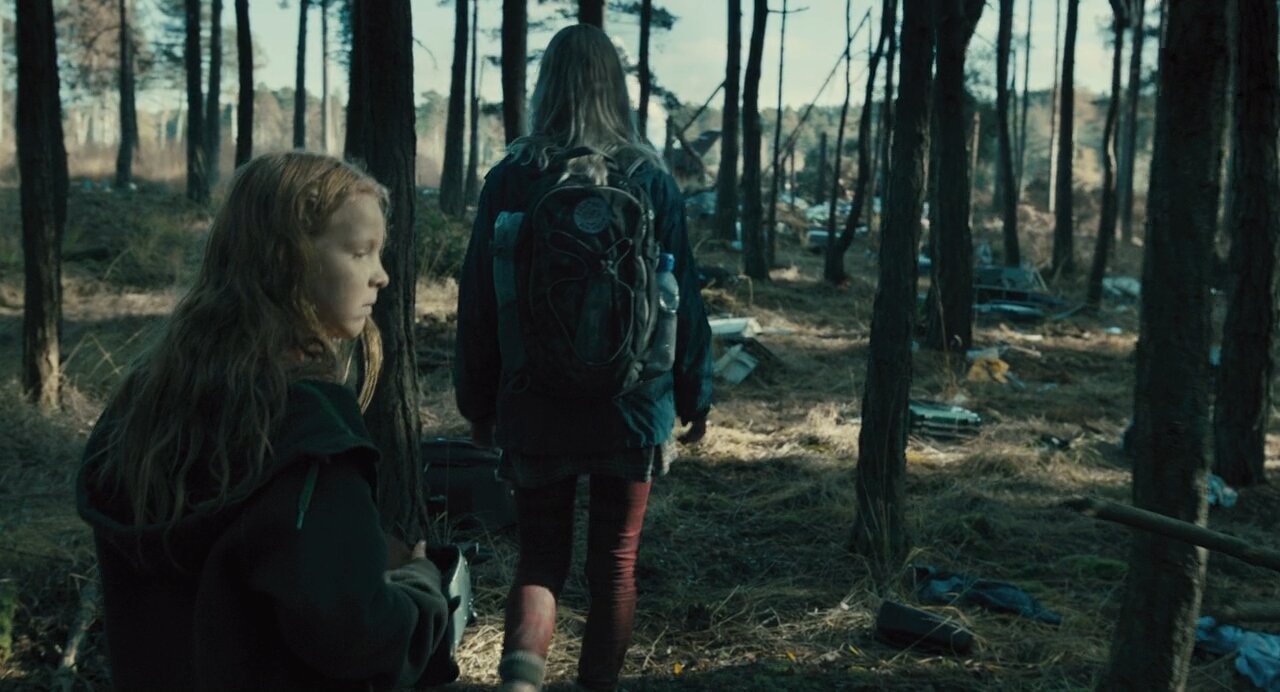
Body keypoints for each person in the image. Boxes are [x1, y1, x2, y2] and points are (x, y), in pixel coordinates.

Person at [77, 152, 454, 691]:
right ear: (287, 260)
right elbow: (357, 636)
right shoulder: (310, 433)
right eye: (359, 252)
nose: (382, 275)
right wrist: (423, 592)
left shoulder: (145, 400)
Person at [455, 24, 714, 692]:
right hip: (632, 407)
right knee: (616, 567)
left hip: (533, 401)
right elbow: (683, 298)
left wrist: (477, 404)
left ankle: (520, 683)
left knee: (540, 561)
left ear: (546, 88)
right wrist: (695, 395)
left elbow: (479, 300)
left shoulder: (511, 178)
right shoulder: (651, 179)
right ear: (616, 90)